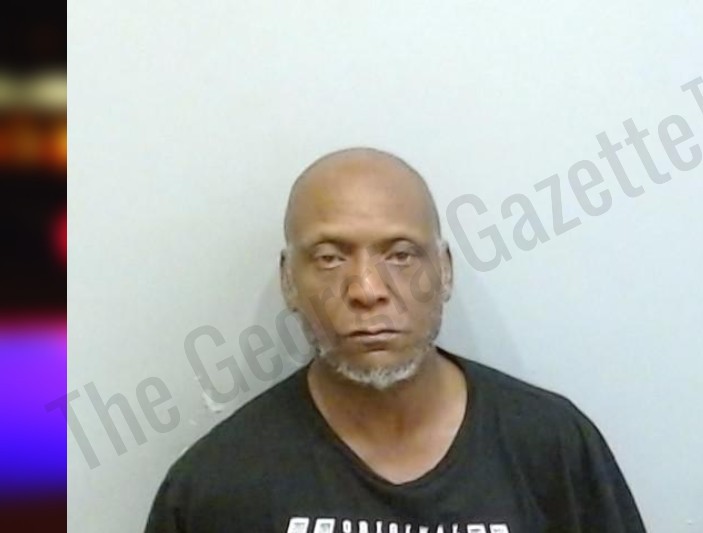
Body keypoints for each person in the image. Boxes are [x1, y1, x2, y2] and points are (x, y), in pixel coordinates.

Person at [145, 148, 646, 532]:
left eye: (401, 255)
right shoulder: (216, 486)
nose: (367, 290)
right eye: (329, 257)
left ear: (444, 271)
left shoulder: (553, 449)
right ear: (288, 281)